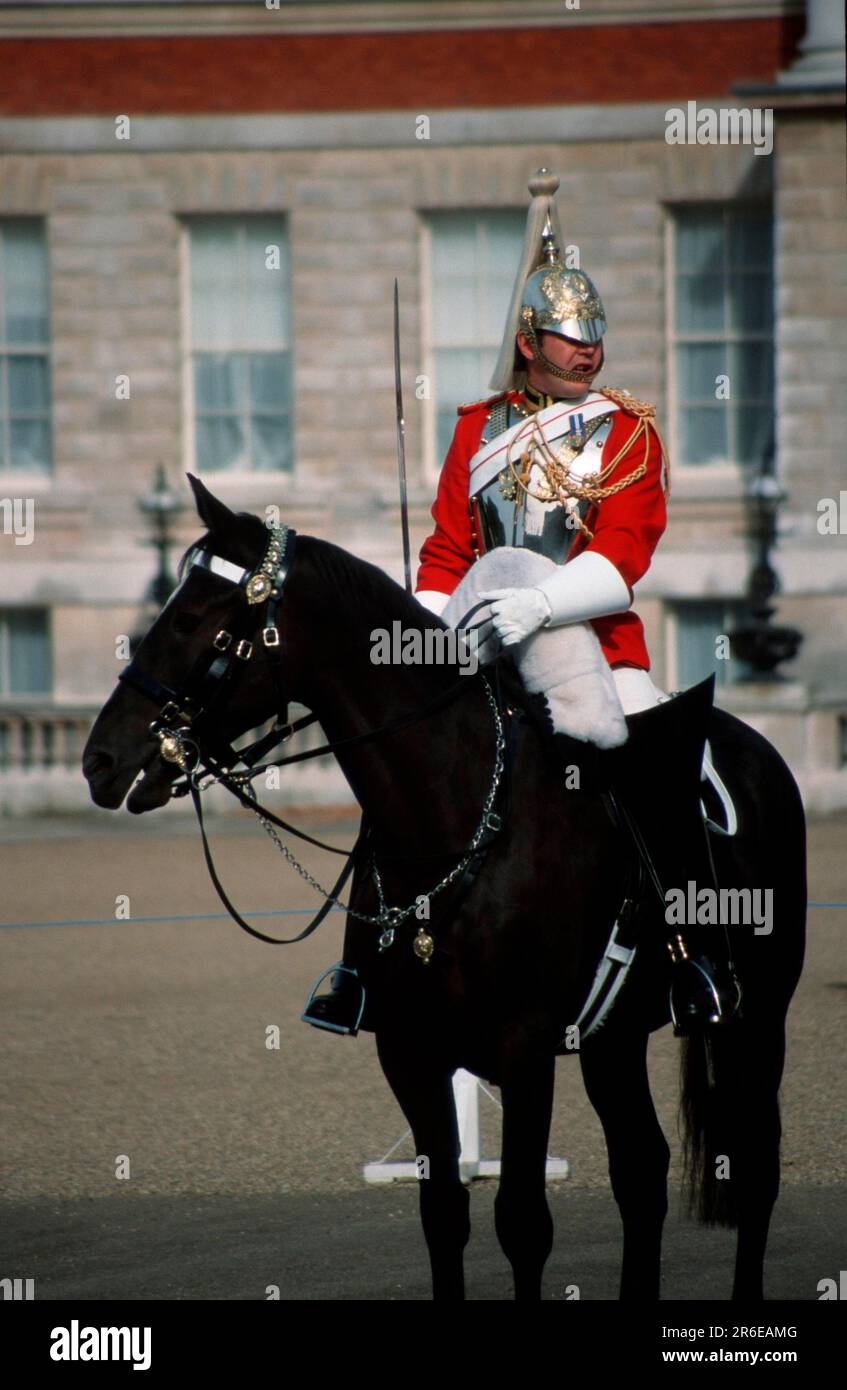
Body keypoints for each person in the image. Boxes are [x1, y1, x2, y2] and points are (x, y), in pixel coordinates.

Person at [302, 170, 741, 1039]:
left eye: (595, 340)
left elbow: (623, 556)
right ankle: (356, 970)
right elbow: (444, 547)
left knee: (656, 763)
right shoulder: (476, 428)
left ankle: (694, 958)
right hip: (481, 641)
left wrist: (537, 609)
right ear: (529, 340)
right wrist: (433, 634)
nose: (589, 354)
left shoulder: (628, 431)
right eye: (571, 341)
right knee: (404, 771)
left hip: (595, 645)